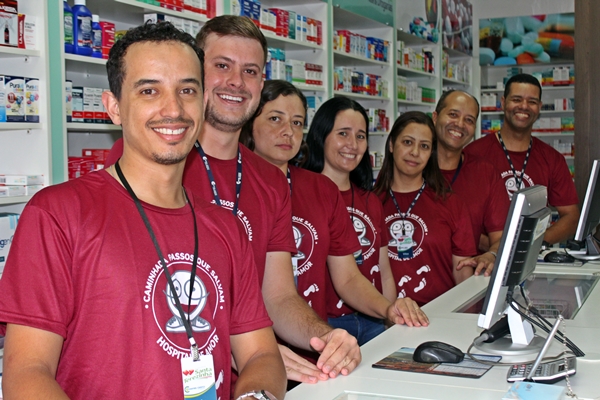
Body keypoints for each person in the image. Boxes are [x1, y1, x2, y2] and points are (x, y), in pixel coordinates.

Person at [0, 22, 285, 400]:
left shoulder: (225, 227)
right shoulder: (58, 214)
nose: (173, 109)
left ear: (202, 104)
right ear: (114, 108)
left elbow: (262, 354)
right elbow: (26, 374)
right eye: (150, 90)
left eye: (187, 90)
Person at [104, 15, 361, 383]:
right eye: (222, 66)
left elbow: (278, 296)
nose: (237, 82)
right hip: (151, 374)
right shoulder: (148, 162)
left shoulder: (271, 181)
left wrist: (324, 337)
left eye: (251, 71)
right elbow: (127, 299)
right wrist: (246, 350)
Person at [240, 80, 428, 374]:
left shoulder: (321, 189)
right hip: (251, 348)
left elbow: (348, 278)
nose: (287, 131)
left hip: (315, 340)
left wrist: (388, 309)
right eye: (275, 118)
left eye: (297, 121)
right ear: (249, 122)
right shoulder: (231, 189)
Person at [303, 96, 399, 343]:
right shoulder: (300, 196)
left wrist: (391, 318)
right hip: (324, 324)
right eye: (343, 133)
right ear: (320, 136)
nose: (353, 145)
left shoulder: (371, 201)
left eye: (360, 136)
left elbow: (384, 272)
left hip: (372, 321)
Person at [373, 111, 477, 306]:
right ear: (391, 145)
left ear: (431, 154)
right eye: (407, 142)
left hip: (440, 315)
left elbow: (462, 271)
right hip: (385, 318)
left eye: (424, 146)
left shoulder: (450, 203)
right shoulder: (371, 202)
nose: (415, 152)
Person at [464, 73, 579, 245]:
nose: (524, 106)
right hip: (481, 260)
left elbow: (571, 216)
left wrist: (535, 244)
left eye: (531, 101)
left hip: (532, 260)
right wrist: (497, 247)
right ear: (503, 103)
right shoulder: (473, 153)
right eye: (517, 99)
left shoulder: (552, 158)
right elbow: (456, 217)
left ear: (539, 107)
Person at [432, 89, 510, 276]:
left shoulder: (484, 172)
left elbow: (503, 237)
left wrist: (491, 254)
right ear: (434, 117)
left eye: (469, 120)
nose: (459, 124)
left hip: (467, 282)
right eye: (453, 114)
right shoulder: (411, 168)